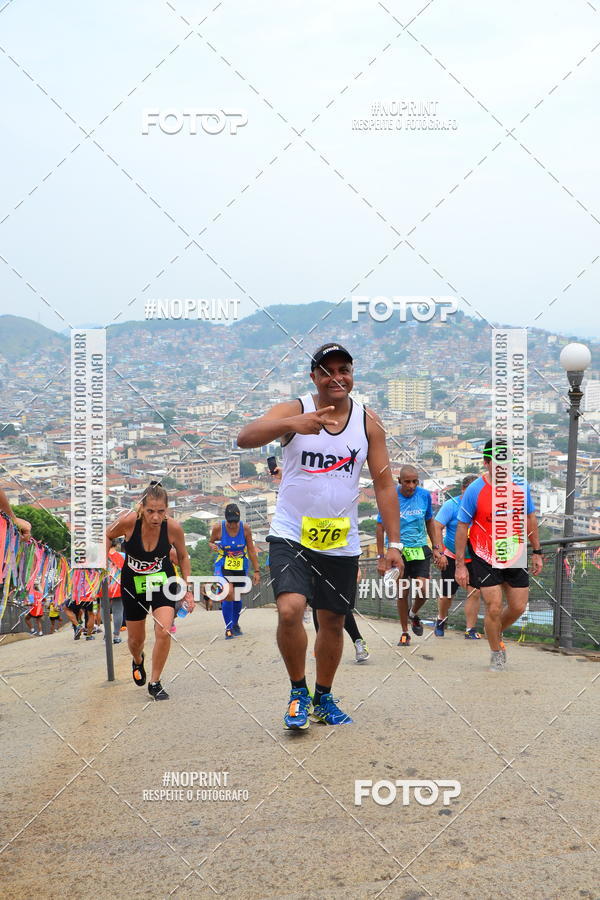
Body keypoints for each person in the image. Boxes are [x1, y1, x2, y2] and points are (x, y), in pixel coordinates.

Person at [237, 342, 403, 729]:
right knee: (290, 609)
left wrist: (394, 545)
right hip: (291, 533)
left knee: (332, 622)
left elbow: (384, 486)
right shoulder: (296, 409)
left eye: (343, 369)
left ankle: (323, 697)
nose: (336, 378)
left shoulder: (367, 422)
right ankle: (298, 692)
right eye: (327, 371)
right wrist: (291, 426)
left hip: (339, 540)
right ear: (313, 377)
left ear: (352, 375)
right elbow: (245, 437)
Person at [455, 440, 543, 672]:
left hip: (514, 551)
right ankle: (497, 651)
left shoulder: (521, 486)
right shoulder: (475, 489)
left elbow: (530, 518)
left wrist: (537, 551)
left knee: (518, 606)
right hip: (484, 554)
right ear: (487, 463)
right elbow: (462, 526)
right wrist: (460, 565)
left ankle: (493, 631)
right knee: (493, 607)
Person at [106, 482, 195, 701]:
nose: (155, 517)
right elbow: (107, 535)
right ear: (141, 508)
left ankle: (155, 682)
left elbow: (183, 557)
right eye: (150, 511)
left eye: (161, 511)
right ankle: (138, 660)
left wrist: (187, 588)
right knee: (136, 640)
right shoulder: (128, 523)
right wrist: (102, 560)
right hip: (133, 583)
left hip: (162, 581)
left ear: (167, 510)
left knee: (164, 630)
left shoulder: (173, 528)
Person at [376, 466, 436, 647]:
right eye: (407, 482)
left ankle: (413, 613)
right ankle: (404, 632)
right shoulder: (390, 496)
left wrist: (437, 547)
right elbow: (380, 527)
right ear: (399, 481)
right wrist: (381, 556)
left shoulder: (424, 495)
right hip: (398, 550)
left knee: (423, 589)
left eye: (415, 481)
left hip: (419, 549)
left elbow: (429, 520)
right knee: (403, 592)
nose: (411, 485)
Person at [431, 475, 482, 639]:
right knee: (447, 594)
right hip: (452, 556)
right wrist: (439, 552)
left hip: (474, 558)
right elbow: (437, 527)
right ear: (463, 490)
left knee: (474, 592)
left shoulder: (481, 507)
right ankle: (441, 619)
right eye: (470, 491)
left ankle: (470, 630)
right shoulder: (451, 506)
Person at [209, 503, 260, 639]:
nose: (232, 525)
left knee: (236, 596)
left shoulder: (245, 529)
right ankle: (229, 628)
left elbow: (251, 550)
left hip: (240, 566)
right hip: (223, 564)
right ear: (226, 519)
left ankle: (235, 623)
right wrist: (212, 545)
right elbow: (211, 541)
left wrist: (256, 570)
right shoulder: (218, 528)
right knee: (228, 592)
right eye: (230, 522)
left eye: (235, 522)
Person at [311, 567, 370, 662]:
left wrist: (356, 566)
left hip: (339, 560)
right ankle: (321, 643)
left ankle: (358, 640)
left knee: (340, 601)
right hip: (314, 559)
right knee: (317, 596)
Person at [107, 542, 126, 644]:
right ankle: (116, 635)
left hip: (104, 585)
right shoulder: (122, 556)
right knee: (118, 610)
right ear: (116, 544)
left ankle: (106, 634)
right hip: (118, 586)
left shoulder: (100, 557)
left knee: (104, 608)